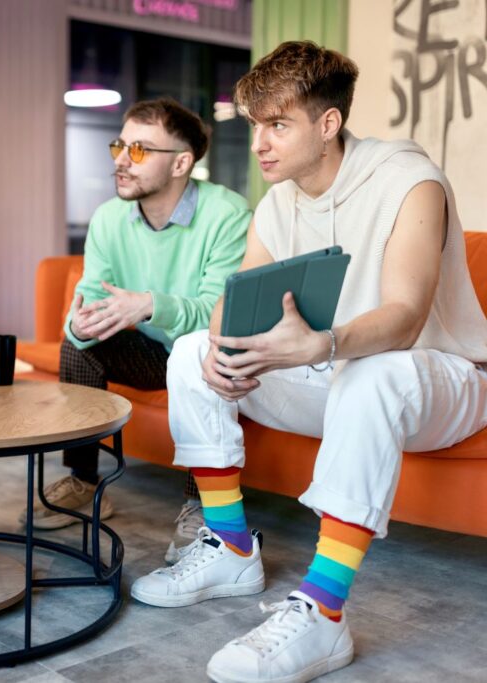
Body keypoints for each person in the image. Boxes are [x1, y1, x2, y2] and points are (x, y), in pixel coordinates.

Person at [131, 41, 487, 683]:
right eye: (255, 126)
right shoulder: (279, 201)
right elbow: (235, 300)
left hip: (439, 379)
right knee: (190, 353)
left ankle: (324, 613)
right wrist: (224, 349)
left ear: (327, 125)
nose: (260, 143)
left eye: (278, 125)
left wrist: (320, 345)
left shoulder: (410, 180)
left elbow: (405, 318)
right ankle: (231, 546)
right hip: (337, 377)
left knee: (373, 370)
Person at [23, 97, 251, 555]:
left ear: (182, 163)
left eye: (141, 150)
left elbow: (220, 313)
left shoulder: (227, 215)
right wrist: (82, 323)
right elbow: (86, 299)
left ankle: (202, 501)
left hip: (206, 352)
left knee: (204, 349)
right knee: (80, 347)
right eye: (120, 146)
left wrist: (149, 306)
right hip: (150, 354)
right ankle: (83, 481)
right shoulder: (109, 218)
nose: (122, 161)